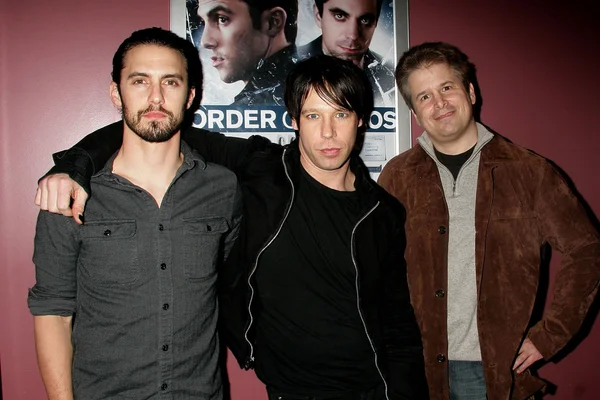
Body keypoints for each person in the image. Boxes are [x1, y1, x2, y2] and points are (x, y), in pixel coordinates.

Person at [35, 55, 429, 399]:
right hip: (287, 388)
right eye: (312, 115)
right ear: (293, 120)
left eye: (340, 114)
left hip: (373, 387)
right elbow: (153, 128)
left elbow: (397, 321)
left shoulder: (382, 211)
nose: (327, 133)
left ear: (360, 119)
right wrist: (75, 165)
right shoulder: (261, 171)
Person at [377, 41, 600, 400]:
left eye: (447, 87)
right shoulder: (396, 176)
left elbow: (587, 249)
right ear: (415, 114)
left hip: (487, 371)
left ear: (470, 91)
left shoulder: (530, 172)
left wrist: (551, 334)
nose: (439, 103)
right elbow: (375, 267)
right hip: (411, 366)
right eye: (424, 97)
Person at [28, 27, 242, 399]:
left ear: (190, 96)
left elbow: (227, 273)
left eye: (171, 82)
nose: (156, 97)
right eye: (140, 81)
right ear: (116, 92)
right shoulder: (70, 193)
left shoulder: (223, 189)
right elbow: (53, 313)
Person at [189, 0, 299, 106]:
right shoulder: (300, 90)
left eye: (222, 19)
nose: (205, 41)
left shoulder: (260, 103)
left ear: (273, 22)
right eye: (204, 22)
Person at [298, 0, 395, 106]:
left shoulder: (391, 74)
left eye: (365, 20)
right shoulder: (291, 68)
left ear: (376, 21)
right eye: (339, 16)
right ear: (318, 16)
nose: (353, 35)